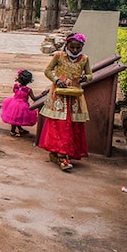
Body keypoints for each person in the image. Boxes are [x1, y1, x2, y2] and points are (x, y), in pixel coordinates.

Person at [38, 32, 93, 171]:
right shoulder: (58, 56)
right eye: (72, 47)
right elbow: (48, 71)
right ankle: (62, 156)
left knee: (73, 124)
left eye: (78, 48)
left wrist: (85, 78)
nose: (75, 50)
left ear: (82, 47)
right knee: (60, 124)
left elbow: (90, 75)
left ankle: (61, 153)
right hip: (59, 96)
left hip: (75, 96)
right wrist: (57, 80)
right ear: (67, 45)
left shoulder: (84, 59)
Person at [1, 69, 45, 137]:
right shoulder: (28, 90)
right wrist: (42, 94)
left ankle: (19, 129)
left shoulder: (16, 86)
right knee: (18, 118)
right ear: (29, 81)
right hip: (22, 104)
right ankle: (12, 131)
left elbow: (15, 92)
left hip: (13, 103)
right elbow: (34, 98)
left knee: (15, 118)